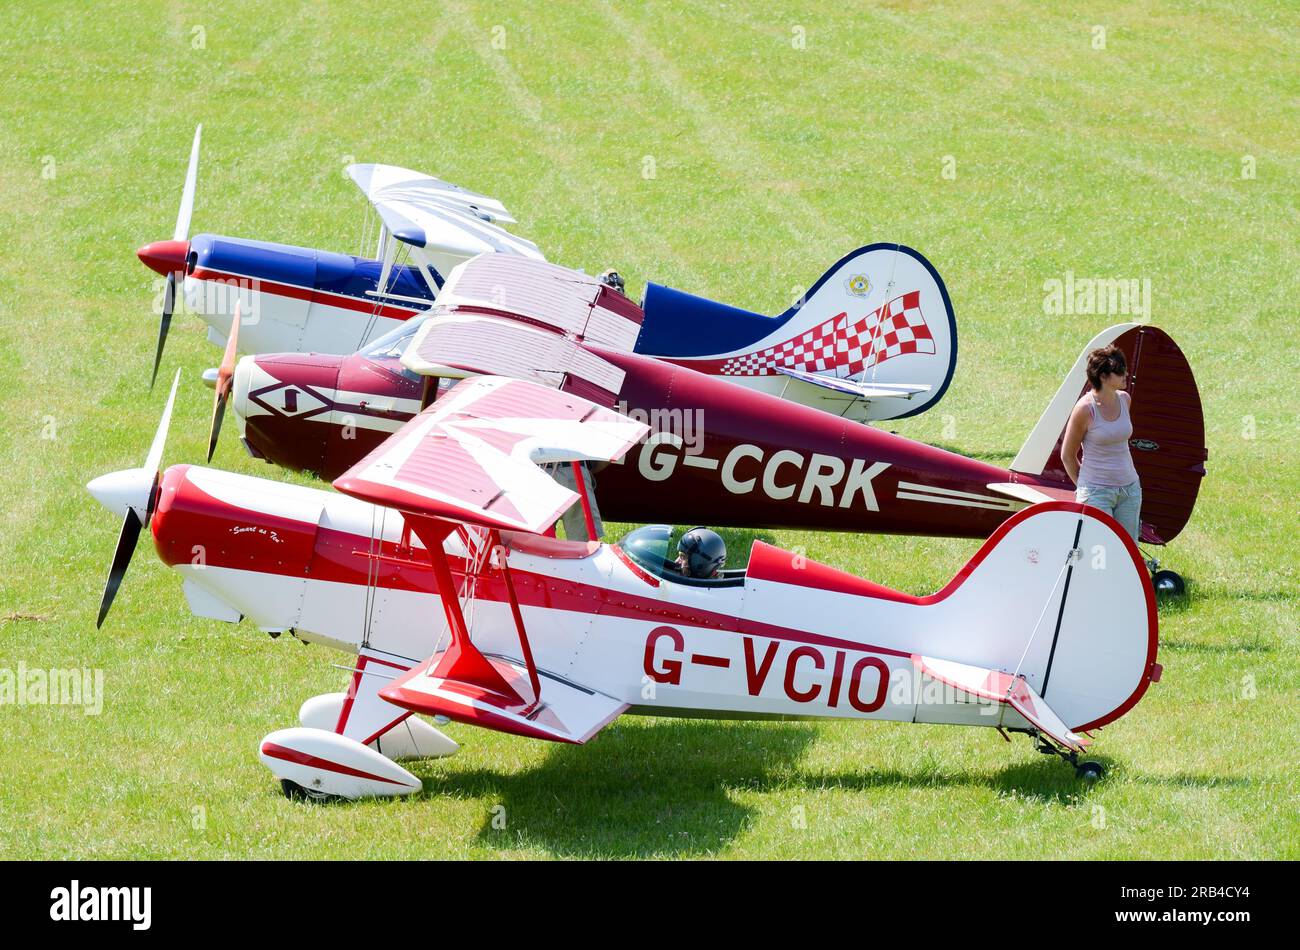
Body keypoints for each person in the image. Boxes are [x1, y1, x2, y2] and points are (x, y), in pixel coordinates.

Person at [1060, 345, 1142, 542]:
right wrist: (1086, 488)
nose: (1126, 374)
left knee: (1127, 551)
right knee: (1098, 551)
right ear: (1103, 376)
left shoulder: (1125, 400)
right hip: (1096, 493)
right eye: (1119, 370)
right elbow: (1067, 456)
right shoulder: (1085, 409)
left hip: (1129, 489)